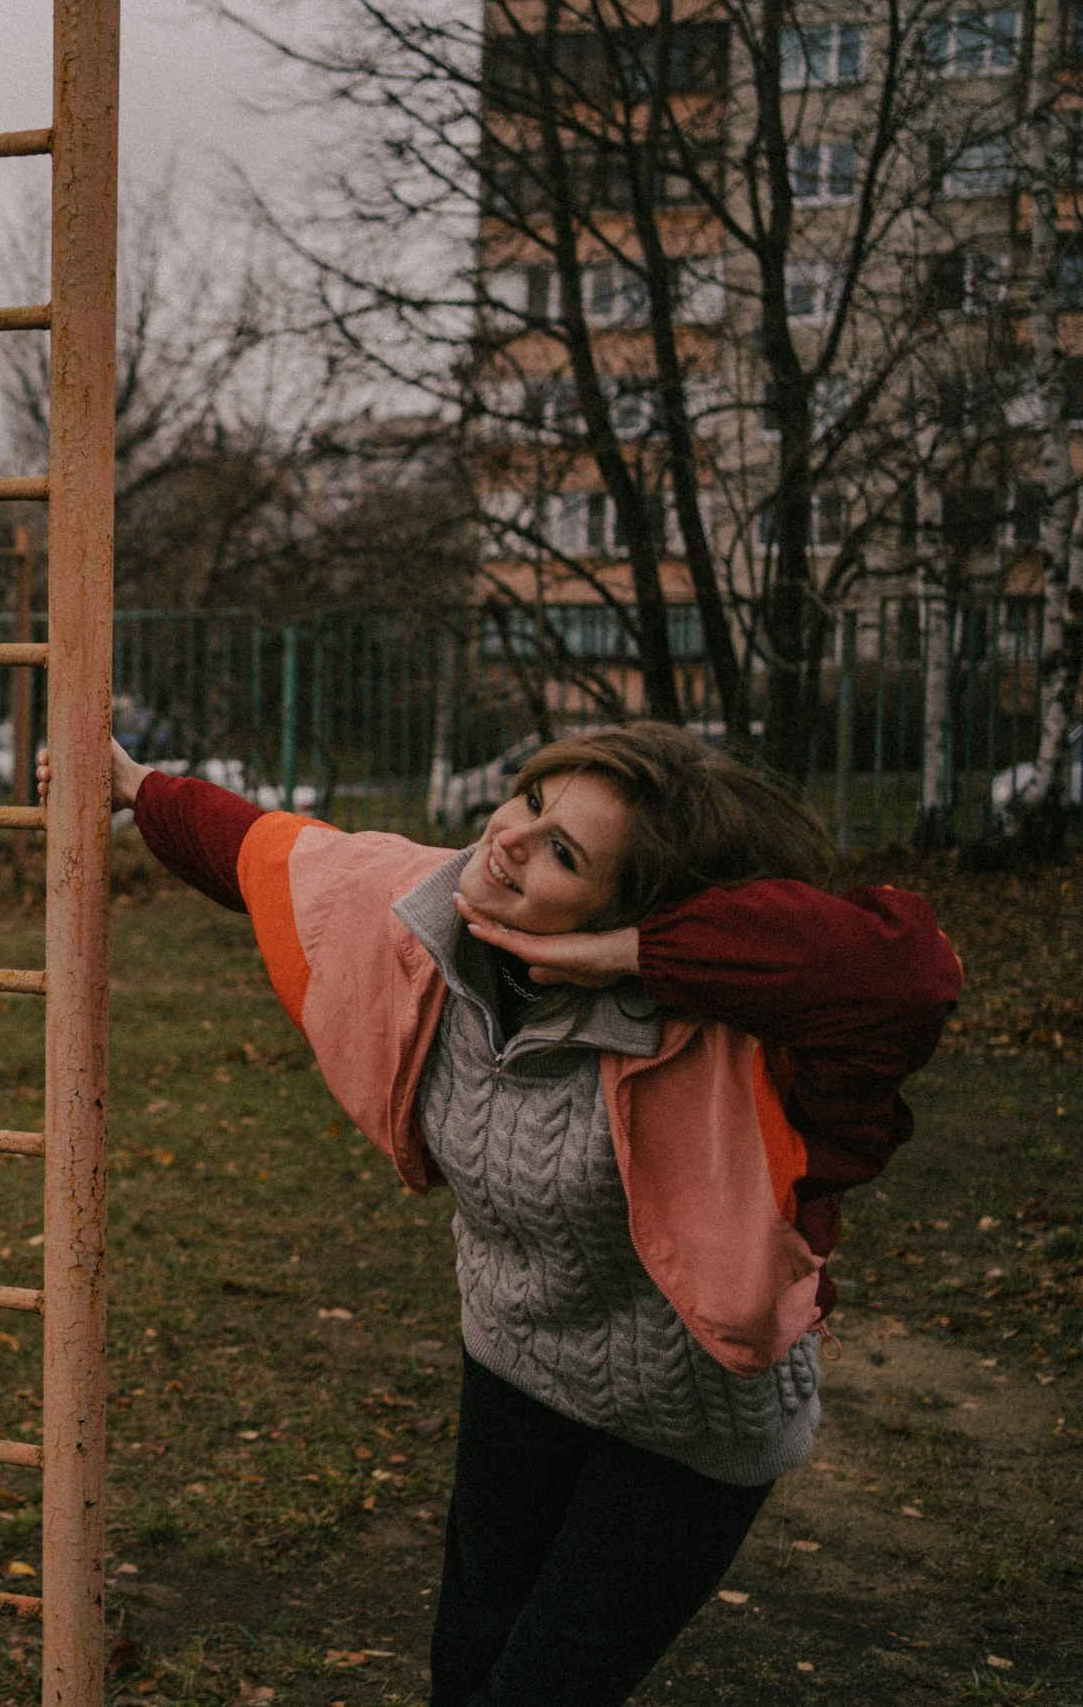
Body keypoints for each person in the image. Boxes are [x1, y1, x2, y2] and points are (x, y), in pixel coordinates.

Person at [75, 723, 958, 1706]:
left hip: (691, 1424)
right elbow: (266, 854)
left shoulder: (748, 1041)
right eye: (532, 802)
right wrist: (134, 784)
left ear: (630, 909)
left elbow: (909, 974)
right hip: (518, 1366)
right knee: (464, 1669)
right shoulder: (425, 911)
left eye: (565, 854)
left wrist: (629, 955)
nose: (511, 839)